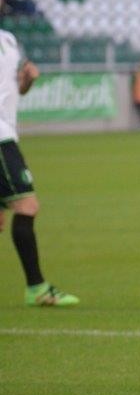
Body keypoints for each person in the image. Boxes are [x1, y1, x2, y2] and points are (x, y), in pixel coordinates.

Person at [0, 27, 79, 306]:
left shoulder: (9, 39)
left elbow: (16, 89)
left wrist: (28, 80)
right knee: (27, 206)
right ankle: (37, 288)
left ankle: (37, 289)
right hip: (1, 138)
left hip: (8, 130)